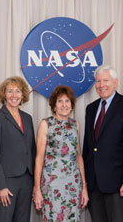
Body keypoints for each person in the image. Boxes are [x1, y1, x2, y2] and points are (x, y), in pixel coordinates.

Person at [82, 65, 123, 222]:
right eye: (98, 81)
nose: (102, 85)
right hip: (94, 184)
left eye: (106, 80)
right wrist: (85, 181)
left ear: (115, 83)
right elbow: (88, 147)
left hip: (119, 185)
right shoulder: (91, 108)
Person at [33, 85, 89, 222]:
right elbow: (39, 158)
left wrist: (84, 187)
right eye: (60, 101)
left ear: (72, 104)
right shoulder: (46, 124)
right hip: (52, 186)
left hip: (73, 185)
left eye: (67, 101)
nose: (64, 105)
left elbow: (78, 157)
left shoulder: (76, 125)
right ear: (54, 105)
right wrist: (37, 189)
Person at [0, 76, 36, 222]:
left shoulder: (27, 118)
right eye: (10, 91)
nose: (14, 95)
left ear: (23, 95)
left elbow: (31, 150)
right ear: (4, 94)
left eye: (18, 91)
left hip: (26, 180)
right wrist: (0, 186)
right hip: (6, 182)